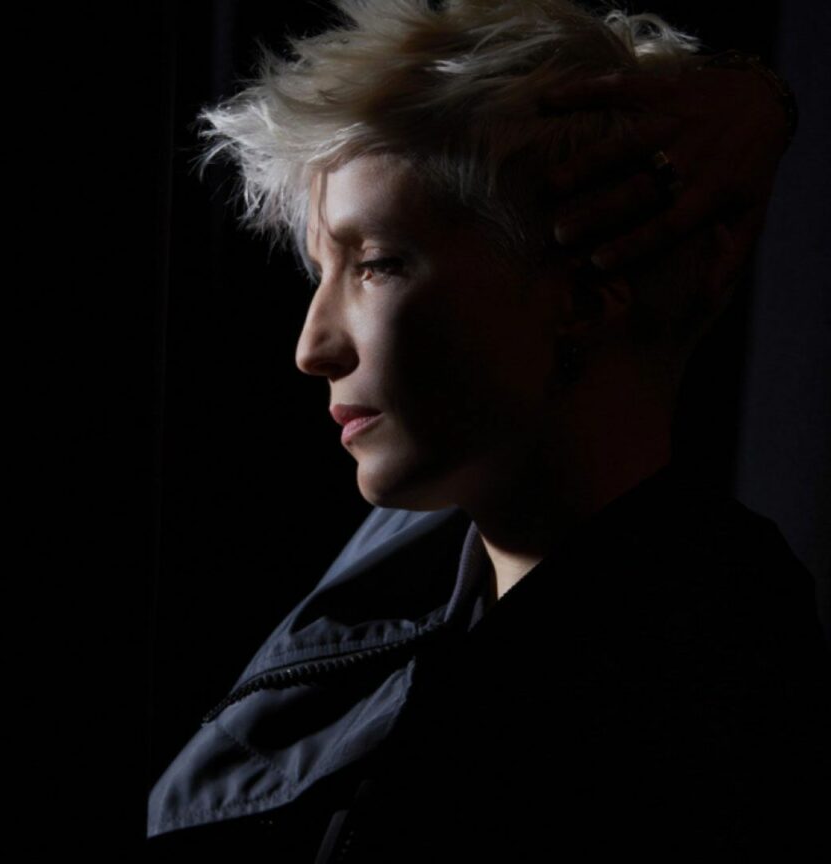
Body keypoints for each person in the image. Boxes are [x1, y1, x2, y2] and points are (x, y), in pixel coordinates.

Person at [148, 1, 828, 859]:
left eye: (376, 264)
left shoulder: (692, 696)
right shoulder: (437, 557)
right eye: (322, 270)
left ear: (585, 290)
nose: (311, 347)